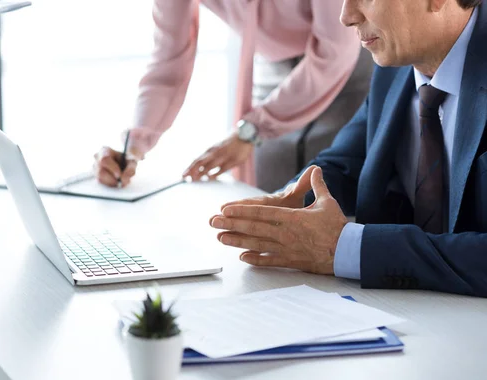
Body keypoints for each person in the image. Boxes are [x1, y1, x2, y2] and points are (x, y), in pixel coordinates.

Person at [209, 0, 487, 297]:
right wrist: (296, 203)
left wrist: (346, 247)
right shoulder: (396, 62)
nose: (346, 17)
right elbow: (344, 163)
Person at [94, 0, 374, 192]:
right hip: (272, 68)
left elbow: (334, 51)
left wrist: (251, 130)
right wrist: (135, 144)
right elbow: (168, 61)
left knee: (330, 194)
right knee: (265, 197)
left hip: (348, 66)